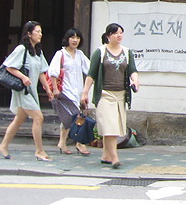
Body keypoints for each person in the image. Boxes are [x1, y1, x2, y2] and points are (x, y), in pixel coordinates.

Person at [81, 23, 139, 169]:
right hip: (105, 94)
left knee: (114, 128)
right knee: (110, 128)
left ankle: (106, 156)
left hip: (121, 95)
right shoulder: (100, 52)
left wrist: (135, 80)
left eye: (121, 33)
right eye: (115, 33)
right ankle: (114, 158)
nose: (119, 36)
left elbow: (132, 70)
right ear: (108, 36)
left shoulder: (127, 52)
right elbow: (91, 74)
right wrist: (85, 92)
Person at [0, 20, 55, 161]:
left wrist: (47, 88)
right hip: (23, 90)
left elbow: (41, 72)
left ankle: (3, 146)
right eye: (37, 32)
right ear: (29, 34)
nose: (40, 34)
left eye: (41, 32)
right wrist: (23, 77)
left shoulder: (38, 51)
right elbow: (9, 67)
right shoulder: (21, 49)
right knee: (38, 117)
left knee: (19, 119)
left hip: (31, 90)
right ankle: (39, 150)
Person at [48, 28, 91, 155]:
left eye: (77, 38)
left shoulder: (80, 55)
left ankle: (63, 142)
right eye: (72, 37)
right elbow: (53, 72)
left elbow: (89, 70)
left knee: (76, 117)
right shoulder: (60, 54)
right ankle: (79, 143)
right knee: (72, 117)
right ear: (67, 39)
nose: (75, 40)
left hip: (78, 90)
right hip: (65, 91)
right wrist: (55, 89)